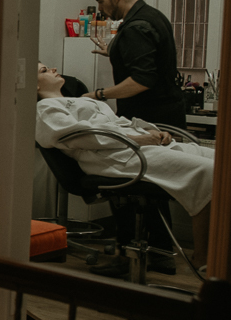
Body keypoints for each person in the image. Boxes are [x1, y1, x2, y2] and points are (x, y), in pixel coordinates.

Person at [37, 63, 210, 270]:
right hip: (114, 158)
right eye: (44, 71)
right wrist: (139, 139)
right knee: (207, 172)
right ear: (35, 86)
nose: (53, 69)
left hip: (134, 147)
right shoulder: (45, 109)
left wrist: (153, 131)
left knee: (225, 163)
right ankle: (203, 259)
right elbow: (83, 137)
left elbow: (120, 122)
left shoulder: (84, 101)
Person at [85, 0, 187, 272]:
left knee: (131, 186)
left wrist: (99, 94)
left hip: (151, 116)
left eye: (101, 1)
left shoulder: (136, 27)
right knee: (154, 187)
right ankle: (159, 254)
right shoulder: (153, 16)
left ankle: (127, 256)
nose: (101, 8)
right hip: (165, 111)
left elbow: (142, 79)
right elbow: (148, 61)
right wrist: (115, 52)